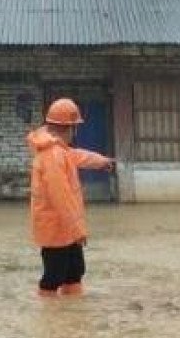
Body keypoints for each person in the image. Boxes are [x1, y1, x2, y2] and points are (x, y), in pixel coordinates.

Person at [27, 98, 115, 297]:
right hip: (55, 230)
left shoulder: (59, 150)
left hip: (66, 229)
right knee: (54, 276)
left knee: (75, 272)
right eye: (75, 127)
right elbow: (61, 197)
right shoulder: (52, 156)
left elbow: (78, 156)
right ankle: (48, 311)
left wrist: (102, 161)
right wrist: (78, 230)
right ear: (70, 128)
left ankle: (72, 311)